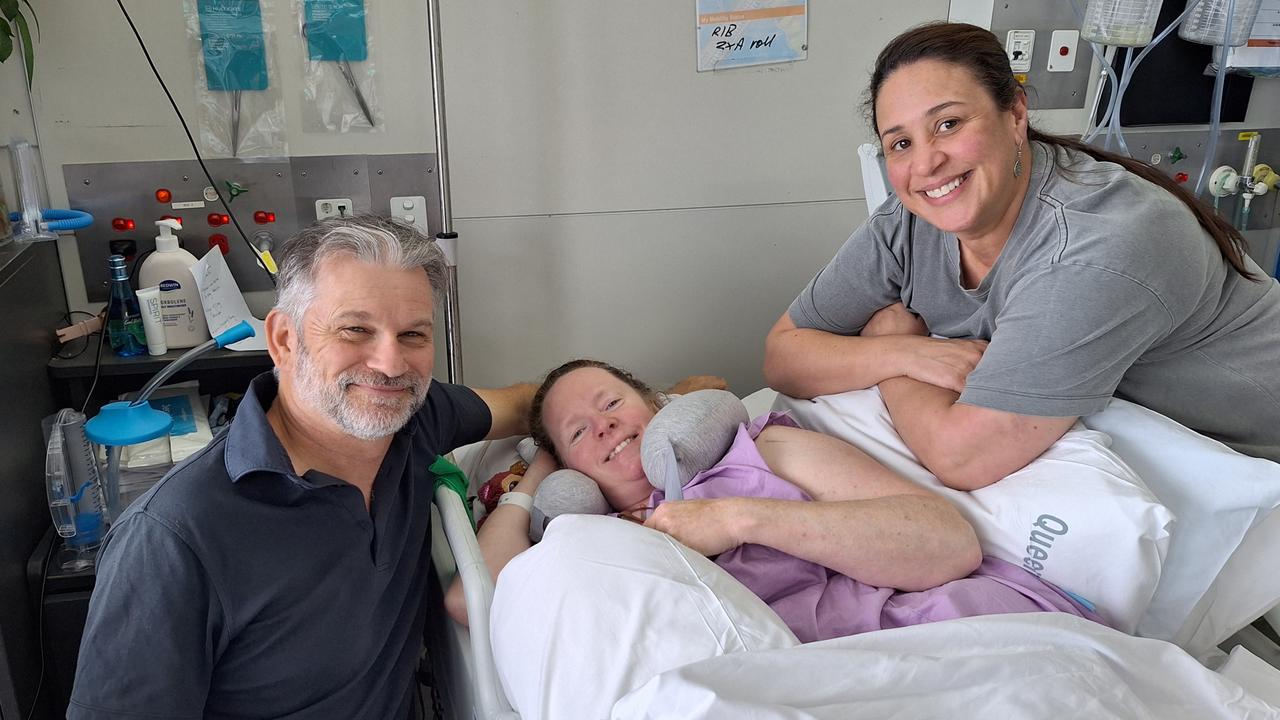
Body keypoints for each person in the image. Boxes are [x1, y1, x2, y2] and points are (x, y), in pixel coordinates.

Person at [764, 22, 1280, 490]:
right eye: (899, 143)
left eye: (948, 124)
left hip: (1245, 463)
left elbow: (964, 457)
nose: (926, 163)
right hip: (1123, 443)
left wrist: (894, 347)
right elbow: (784, 355)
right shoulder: (907, 225)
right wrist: (904, 354)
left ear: (1014, 113)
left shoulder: (1095, 245)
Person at [69, 215, 542, 719]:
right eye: (355, 329)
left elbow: (535, 402)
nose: (390, 363)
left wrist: (620, 426)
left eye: (413, 335)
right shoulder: (175, 539)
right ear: (285, 339)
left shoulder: (413, 421)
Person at [448, 359, 1101, 643]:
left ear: (658, 408)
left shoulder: (760, 454)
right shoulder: (596, 537)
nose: (606, 427)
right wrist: (540, 480)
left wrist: (737, 517)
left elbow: (948, 545)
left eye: (612, 404)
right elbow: (470, 599)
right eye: (579, 433)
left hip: (926, 632)